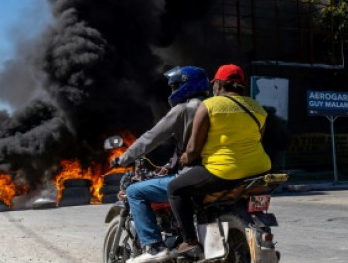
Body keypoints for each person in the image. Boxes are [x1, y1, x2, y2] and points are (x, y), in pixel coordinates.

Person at [167, 64, 272, 258]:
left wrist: (184, 159)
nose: (213, 88)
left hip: (224, 171)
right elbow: (257, 139)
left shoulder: (208, 106)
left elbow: (192, 149)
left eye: (215, 84)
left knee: (175, 189)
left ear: (219, 85)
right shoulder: (258, 108)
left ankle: (189, 242)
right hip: (259, 169)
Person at [110, 66, 210, 263]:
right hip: (219, 171)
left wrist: (123, 158)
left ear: (185, 86)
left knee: (135, 192)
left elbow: (151, 138)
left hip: (193, 175)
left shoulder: (183, 110)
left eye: (175, 86)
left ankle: (154, 246)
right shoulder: (215, 106)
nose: (173, 91)